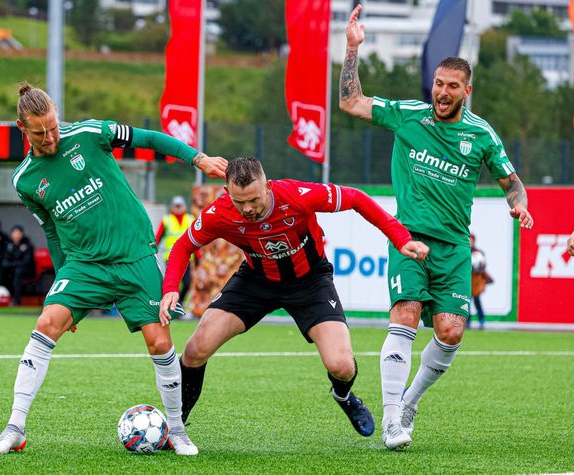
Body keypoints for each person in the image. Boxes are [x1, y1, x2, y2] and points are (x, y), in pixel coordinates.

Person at [0, 83, 227, 456]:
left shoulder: (89, 133)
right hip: (84, 266)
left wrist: (198, 159)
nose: (50, 137)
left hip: (135, 256)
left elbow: (149, 138)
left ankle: (177, 431)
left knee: (159, 342)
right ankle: (15, 427)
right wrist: (62, 286)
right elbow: (51, 230)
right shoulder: (25, 180)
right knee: (47, 323)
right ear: (22, 127)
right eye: (39, 132)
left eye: (52, 126)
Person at [339, 4, 534, 450]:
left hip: (453, 247)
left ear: (467, 89)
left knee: (450, 332)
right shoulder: (408, 113)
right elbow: (351, 101)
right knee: (405, 313)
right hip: (407, 237)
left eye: (451, 87)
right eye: (438, 84)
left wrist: (518, 205)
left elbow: (512, 183)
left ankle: (409, 401)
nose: (442, 92)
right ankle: (391, 422)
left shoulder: (482, 135)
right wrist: (352, 50)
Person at [159, 157, 430, 439]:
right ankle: (175, 428)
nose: (248, 208)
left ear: (267, 186)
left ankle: (344, 395)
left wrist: (401, 239)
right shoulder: (221, 212)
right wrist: (171, 288)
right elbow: (182, 247)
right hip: (256, 281)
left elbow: (357, 199)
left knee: (342, 366)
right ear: (227, 192)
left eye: (253, 199)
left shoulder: (296, 196)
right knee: (194, 350)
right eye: (240, 202)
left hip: (310, 282)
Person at [155, 196, 195, 306]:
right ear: (172, 207)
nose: (178, 208)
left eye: (180, 205)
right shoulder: (166, 220)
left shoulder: (190, 219)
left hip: (187, 258)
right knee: (172, 284)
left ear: (184, 206)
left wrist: (198, 257)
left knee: (187, 283)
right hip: (170, 257)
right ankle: (170, 306)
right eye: (176, 206)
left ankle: (179, 303)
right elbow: (158, 238)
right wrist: (152, 252)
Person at [1, 225, 36, 306]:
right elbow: (4, 262)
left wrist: (13, 264)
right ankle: (1, 298)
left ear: (22, 234)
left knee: (18, 271)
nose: (16, 235)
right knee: (0, 271)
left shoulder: (27, 245)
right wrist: (14, 264)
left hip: (26, 270)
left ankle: (16, 300)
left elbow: (27, 262)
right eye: (14, 233)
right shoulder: (8, 245)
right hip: (12, 270)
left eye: (18, 233)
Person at [468, 234, 492, 330]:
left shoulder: (478, 253)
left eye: (471, 240)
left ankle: (481, 321)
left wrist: (478, 267)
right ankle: (467, 322)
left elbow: (482, 266)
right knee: (466, 304)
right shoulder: (463, 252)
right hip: (468, 280)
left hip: (476, 281)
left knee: (477, 302)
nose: (470, 242)